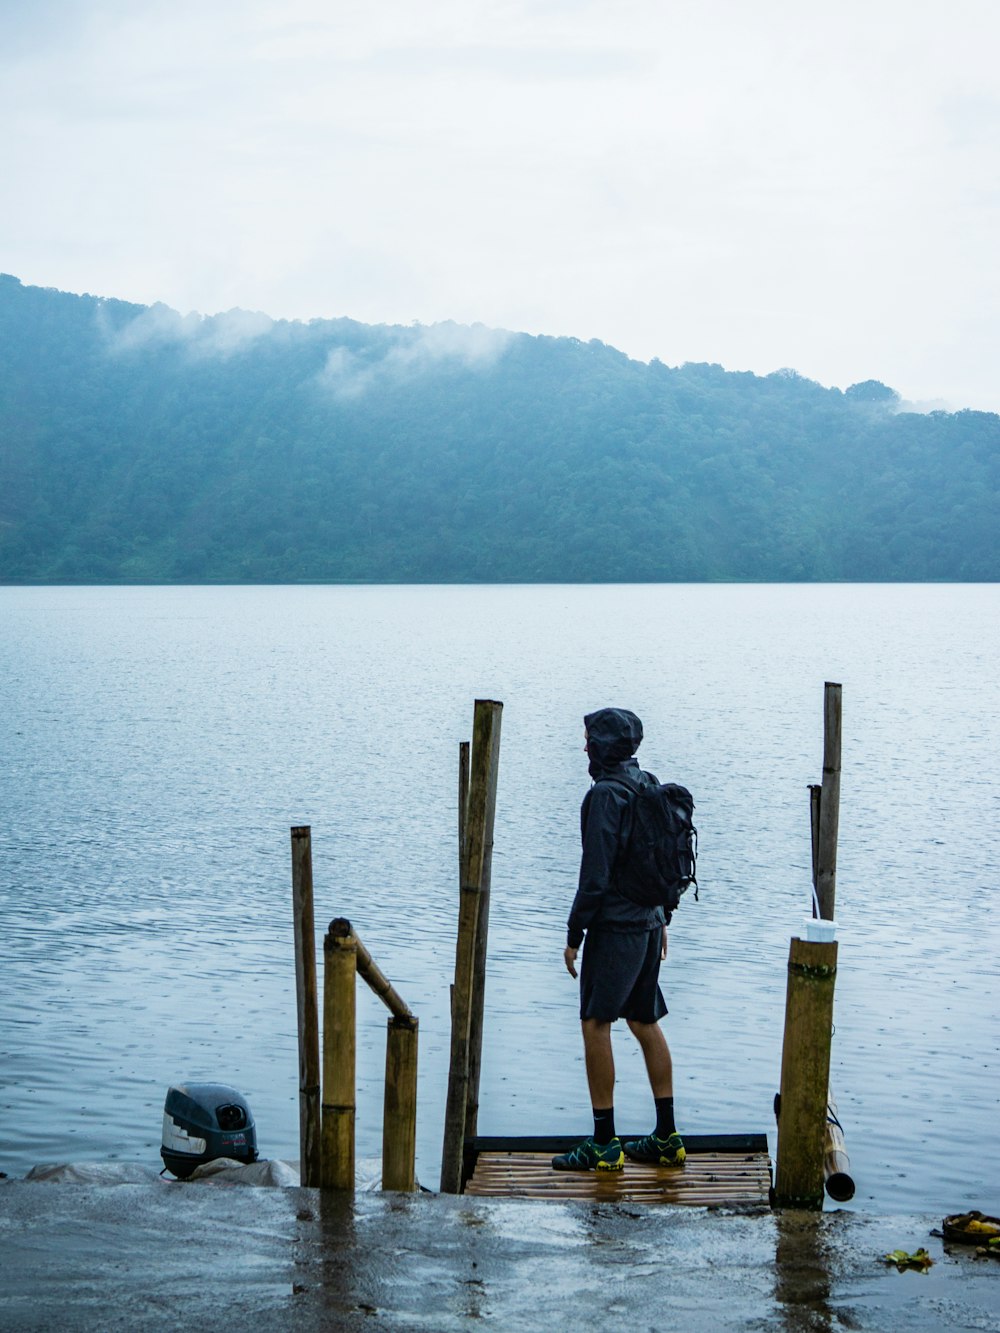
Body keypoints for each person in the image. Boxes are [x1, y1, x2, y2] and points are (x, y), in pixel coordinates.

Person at [552, 707, 686, 1172]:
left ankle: (605, 1143)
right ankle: (667, 1138)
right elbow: (661, 859)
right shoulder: (647, 782)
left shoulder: (605, 796)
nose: (585, 746)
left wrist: (574, 932)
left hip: (617, 929)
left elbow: (596, 875)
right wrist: (663, 915)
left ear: (601, 746)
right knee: (645, 1021)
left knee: (596, 1024)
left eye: (588, 739)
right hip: (650, 924)